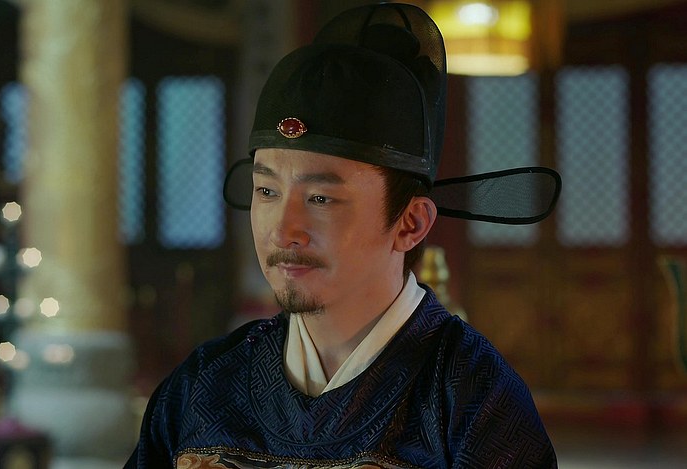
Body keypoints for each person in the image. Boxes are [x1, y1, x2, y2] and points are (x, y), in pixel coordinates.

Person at [127, 3, 560, 468]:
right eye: (267, 190)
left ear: (411, 223)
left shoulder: (471, 397)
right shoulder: (203, 385)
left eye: (320, 198)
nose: (283, 230)